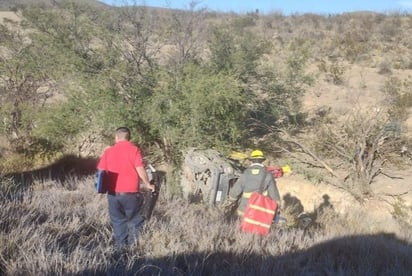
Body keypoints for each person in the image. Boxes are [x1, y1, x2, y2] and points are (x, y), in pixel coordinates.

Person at [97, 127, 155, 248]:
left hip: (113, 195)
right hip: (131, 194)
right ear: (129, 137)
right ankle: (133, 249)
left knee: (118, 223)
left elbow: (101, 171)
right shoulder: (134, 150)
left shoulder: (108, 152)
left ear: (116, 137)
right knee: (135, 221)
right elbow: (140, 168)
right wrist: (147, 184)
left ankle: (121, 250)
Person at [226, 149, 281, 217]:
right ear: (262, 161)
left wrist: (231, 200)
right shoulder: (268, 174)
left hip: (244, 209)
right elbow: (274, 194)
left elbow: (235, 192)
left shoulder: (245, 173)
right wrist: (277, 207)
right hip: (260, 209)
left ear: (251, 160)